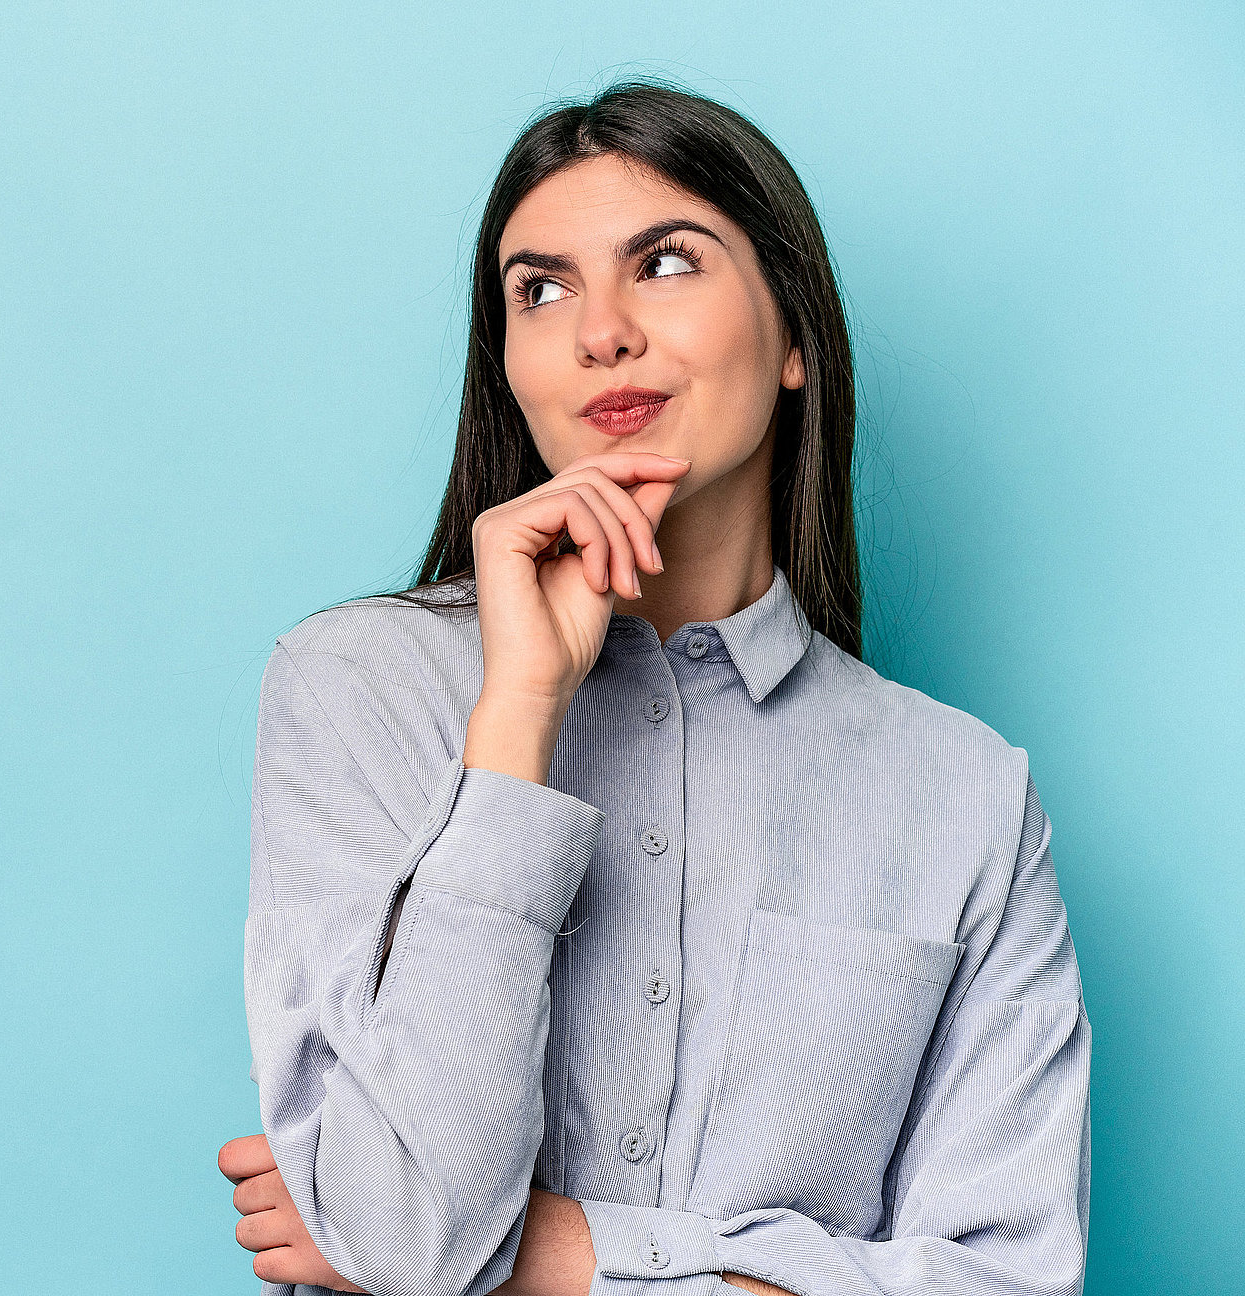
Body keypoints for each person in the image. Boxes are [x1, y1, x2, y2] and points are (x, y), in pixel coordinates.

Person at [216, 78, 1091, 1296]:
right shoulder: (359, 684)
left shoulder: (964, 793)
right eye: (543, 288)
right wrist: (517, 719)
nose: (600, 332)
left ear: (795, 339)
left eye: (666, 262)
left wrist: (568, 1256)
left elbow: (1010, 1283)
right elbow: (410, 1234)